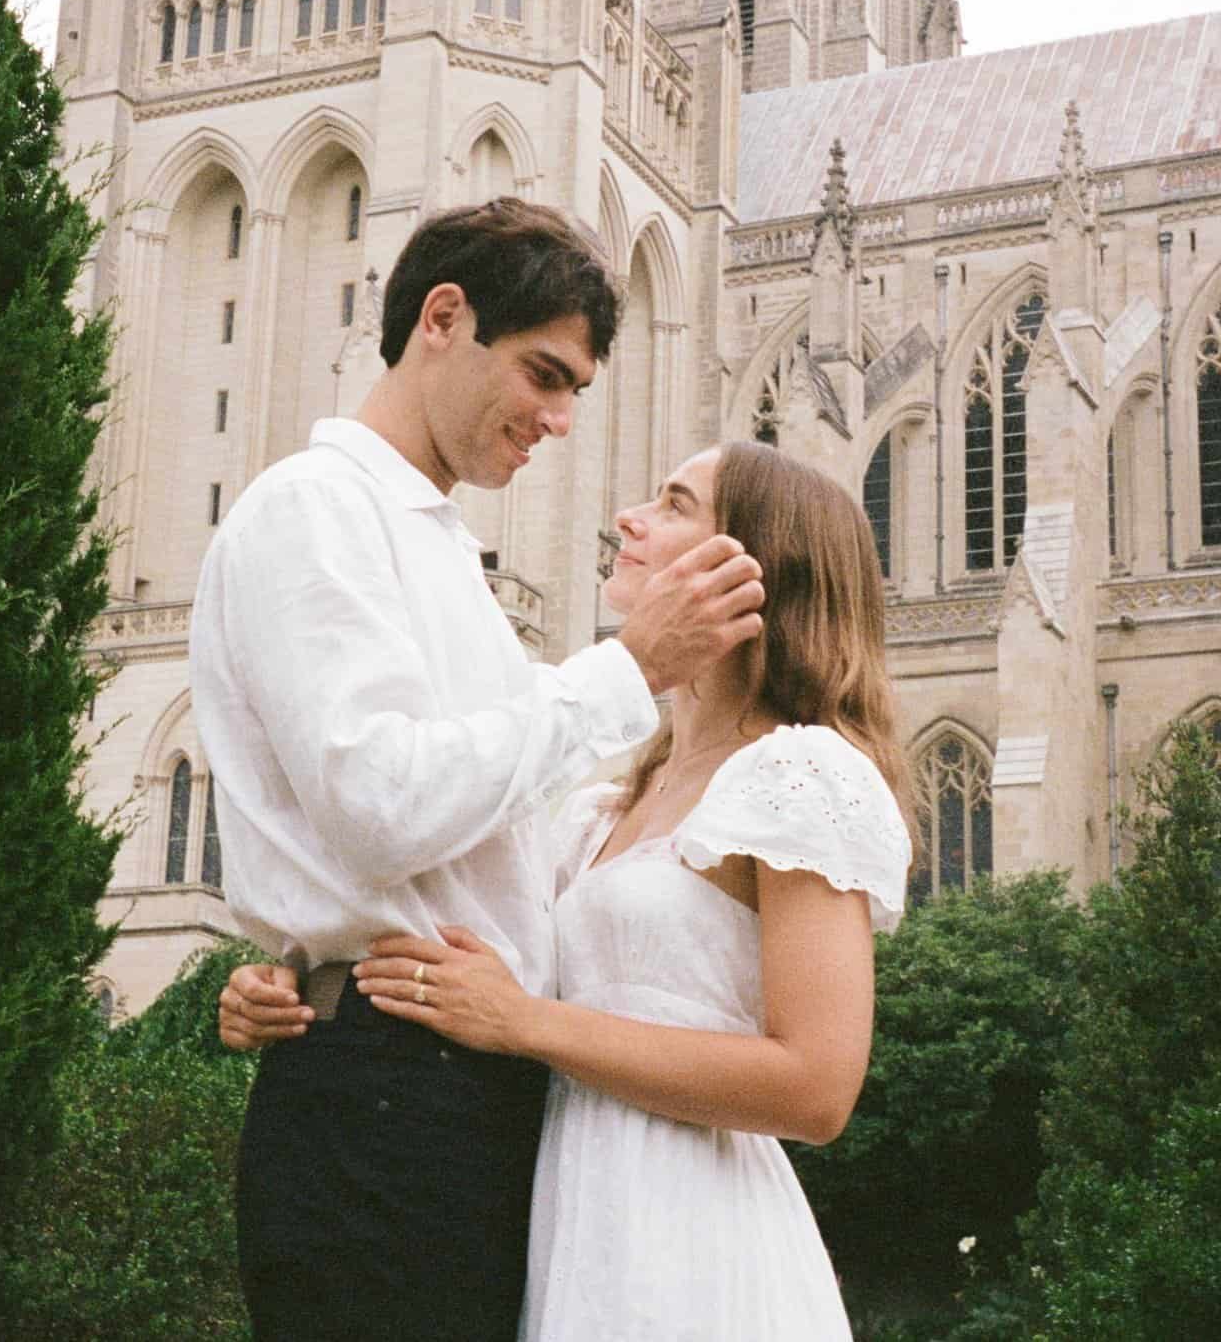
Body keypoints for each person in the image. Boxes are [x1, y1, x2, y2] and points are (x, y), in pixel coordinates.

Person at [191, 197, 767, 1342]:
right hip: (391, 1098)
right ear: (442, 318)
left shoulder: (433, 543)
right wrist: (626, 670)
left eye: (575, 392)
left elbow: (479, 845)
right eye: (543, 375)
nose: (557, 420)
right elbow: (379, 804)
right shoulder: (315, 511)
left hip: (455, 1086)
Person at [223, 440, 915, 1339]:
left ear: (755, 567)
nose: (631, 517)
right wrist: (304, 975)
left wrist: (526, 1023)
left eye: (674, 504)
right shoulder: (601, 805)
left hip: (692, 1230)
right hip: (562, 1210)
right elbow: (470, 950)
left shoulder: (803, 771)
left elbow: (817, 1086)